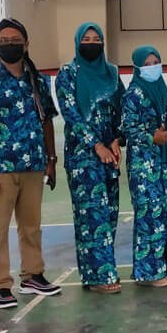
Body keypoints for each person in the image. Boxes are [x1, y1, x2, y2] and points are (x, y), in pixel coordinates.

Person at [0, 18, 62, 310]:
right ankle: (0, 286)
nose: (9, 45)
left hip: (33, 165)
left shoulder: (38, 81)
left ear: (26, 44)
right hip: (0, 168)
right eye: (3, 41)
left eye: (15, 40)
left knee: (31, 226)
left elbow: (46, 121)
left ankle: (32, 275)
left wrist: (51, 160)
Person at [55, 22, 125, 294]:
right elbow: (70, 113)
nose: (92, 43)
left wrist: (117, 139)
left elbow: (122, 107)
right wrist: (96, 145)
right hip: (83, 156)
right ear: (77, 42)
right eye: (86, 39)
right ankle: (99, 276)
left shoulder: (111, 73)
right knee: (92, 216)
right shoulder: (68, 73)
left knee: (110, 213)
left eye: (97, 39)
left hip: (110, 153)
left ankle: (97, 273)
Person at [121, 46, 167, 288]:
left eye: (156, 62)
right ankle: (149, 272)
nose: (153, 67)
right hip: (144, 164)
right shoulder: (133, 94)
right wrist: (151, 137)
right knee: (149, 216)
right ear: (137, 67)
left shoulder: (161, 89)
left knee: (162, 214)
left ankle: (158, 266)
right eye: (147, 64)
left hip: (163, 161)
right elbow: (128, 129)